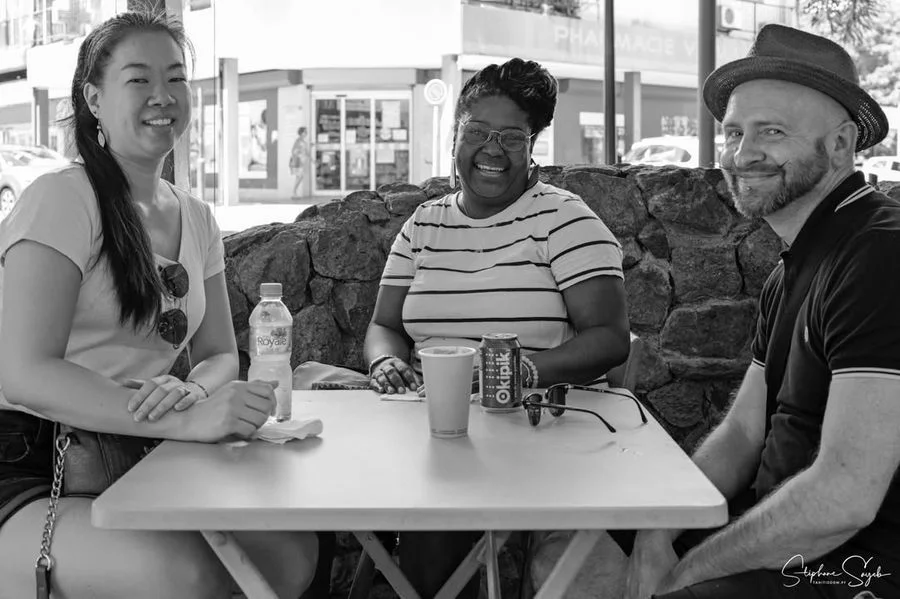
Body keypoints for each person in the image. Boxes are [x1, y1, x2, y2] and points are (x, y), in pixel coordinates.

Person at [534, 24, 900, 599]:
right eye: (733, 132)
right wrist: (661, 533)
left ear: (841, 145)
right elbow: (743, 431)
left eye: (772, 131)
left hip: (852, 566)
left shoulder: (880, 253)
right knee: (563, 544)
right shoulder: (795, 264)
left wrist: (688, 570)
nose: (743, 153)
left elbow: (845, 497)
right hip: (781, 531)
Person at [0, 9, 316, 599]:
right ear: (94, 98)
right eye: (139, 79)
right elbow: (23, 373)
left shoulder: (196, 217)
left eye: (176, 79)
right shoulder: (60, 199)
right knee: (186, 576)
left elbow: (220, 351)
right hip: (36, 465)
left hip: (142, 456)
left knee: (290, 553)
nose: (162, 96)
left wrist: (196, 390)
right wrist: (181, 417)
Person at [366, 57, 630, 598]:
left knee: (439, 534)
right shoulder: (425, 223)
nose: (492, 149)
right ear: (456, 135)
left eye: (512, 137)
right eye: (478, 132)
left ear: (533, 146)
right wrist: (385, 360)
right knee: (409, 527)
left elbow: (608, 338)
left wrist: (518, 370)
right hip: (434, 431)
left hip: (534, 434)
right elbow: (384, 325)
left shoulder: (564, 219)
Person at [291, 126, 310, 198]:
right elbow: (294, 151)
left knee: (299, 177)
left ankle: (294, 193)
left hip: (301, 162)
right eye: (305, 132)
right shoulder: (298, 141)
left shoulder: (303, 141)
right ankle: (294, 192)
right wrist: (299, 155)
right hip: (298, 162)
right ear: (301, 133)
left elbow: (306, 152)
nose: (306, 133)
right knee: (300, 176)